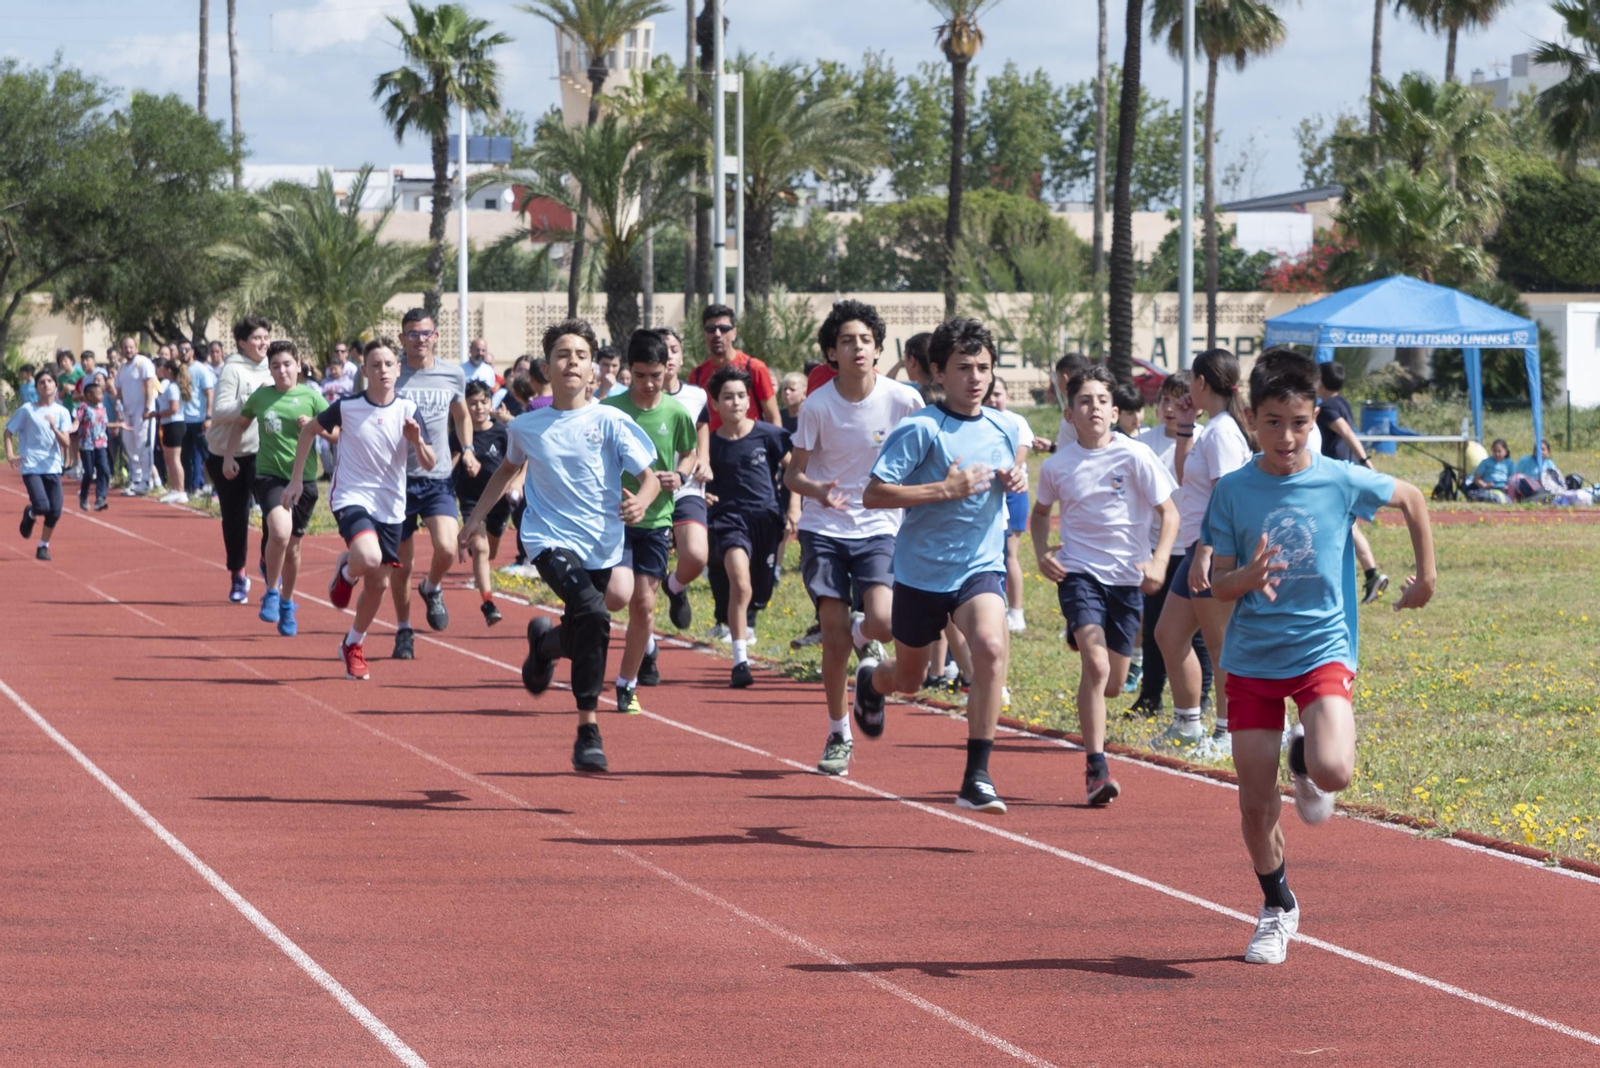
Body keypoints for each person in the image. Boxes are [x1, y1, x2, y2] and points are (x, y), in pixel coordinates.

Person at [1204, 348, 1436, 965]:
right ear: (1252, 417)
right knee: (1255, 805)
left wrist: (1427, 577)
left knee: (1335, 773)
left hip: (1321, 648)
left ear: (1316, 418)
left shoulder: (1338, 478)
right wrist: (1245, 578)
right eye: (1273, 421)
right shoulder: (1232, 491)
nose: (1286, 435)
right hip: (1253, 658)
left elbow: (1411, 497)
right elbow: (1215, 584)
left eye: (1299, 422)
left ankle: (1304, 755)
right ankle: (1277, 906)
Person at [458, 318, 660, 772]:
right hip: (546, 538)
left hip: (603, 543)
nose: (572, 362)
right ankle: (588, 728)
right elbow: (506, 472)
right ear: (546, 368)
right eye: (563, 355)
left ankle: (547, 644)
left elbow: (648, 480)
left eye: (582, 356)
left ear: (593, 371)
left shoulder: (611, 420)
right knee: (594, 611)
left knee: (586, 618)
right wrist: (473, 521)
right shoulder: (528, 427)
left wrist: (642, 504)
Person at [854, 317, 1025, 814]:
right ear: (938, 372)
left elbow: (1005, 477)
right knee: (908, 679)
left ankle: (977, 775)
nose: (976, 379)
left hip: (979, 567)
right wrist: (942, 490)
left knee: (991, 647)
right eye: (964, 368)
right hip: (921, 574)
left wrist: (1012, 480)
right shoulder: (920, 429)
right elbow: (873, 494)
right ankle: (872, 681)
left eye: (984, 368)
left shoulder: (1006, 426)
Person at [785, 299, 924, 774]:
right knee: (832, 634)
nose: (857, 347)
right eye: (847, 341)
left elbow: (929, 454)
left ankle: (866, 650)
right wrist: (815, 490)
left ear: (879, 350)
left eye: (865, 340)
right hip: (825, 529)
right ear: (832, 353)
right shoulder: (818, 406)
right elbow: (793, 475)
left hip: (880, 527)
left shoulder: (904, 400)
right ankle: (838, 733)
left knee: (884, 622)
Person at [1032, 366, 1179, 805]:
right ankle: (1096, 768)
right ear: (1070, 412)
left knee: (1113, 683)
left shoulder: (1134, 455)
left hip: (1127, 579)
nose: (1093, 407)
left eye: (1101, 401)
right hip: (1079, 574)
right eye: (1084, 401)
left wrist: (1158, 562)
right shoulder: (1058, 465)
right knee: (1094, 667)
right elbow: (1040, 514)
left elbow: (1169, 514)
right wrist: (1042, 554)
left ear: (1114, 412)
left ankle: (1085, 631)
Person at [283, 340, 428, 679]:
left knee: (377, 585)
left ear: (398, 368)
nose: (382, 371)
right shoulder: (347, 406)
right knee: (371, 558)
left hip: (391, 506)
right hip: (351, 496)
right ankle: (348, 570)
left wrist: (417, 440)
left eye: (388, 364)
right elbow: (309, 430)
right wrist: (295, 480)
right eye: (375, 365)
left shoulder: (408, 408)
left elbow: (428, 460)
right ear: (364, 371)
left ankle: (353, 643)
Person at [1153, 348, 1255, 759]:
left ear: (1201, 382)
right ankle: (1187, 724)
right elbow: (1183, 478)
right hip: (1197, 545)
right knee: (1169, 634)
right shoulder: (1210, 428)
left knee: (1220, 645)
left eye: (1190, 382)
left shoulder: (1225, 431)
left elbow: (1228, 496)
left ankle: (1229, 733)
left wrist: (1209, 551)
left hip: (1214, 548)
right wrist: (1183, 428)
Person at [602, 330, 699, 712]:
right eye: (639, 375)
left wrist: (681, 475)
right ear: (629, 371)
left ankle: (627, 682)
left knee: (644, 605)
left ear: (667, 371)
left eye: (655, 375)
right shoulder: (612, 410)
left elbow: (688, 454)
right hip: (613, 518)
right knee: (615, 597)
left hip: (656, 521)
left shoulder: (676, 413)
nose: (647, 384)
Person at [223, 341, 329, 638]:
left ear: (298, 365)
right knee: (280, 532)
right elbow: (240, 425)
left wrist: (315, 425)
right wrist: (229, 456)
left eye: (286, 364)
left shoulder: (312, 397)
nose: (281, 371)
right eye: (275, 366)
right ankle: (271, 591)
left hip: (306, 481)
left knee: (293, 549)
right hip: (270, 477)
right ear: (269, 370)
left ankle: (286, 602)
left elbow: (336, 434)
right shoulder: (262, 397)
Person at [1130, 372, 1214, 719]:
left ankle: (1203, 695)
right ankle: (1150, 696)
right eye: (1165, 399)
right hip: (1157, 550)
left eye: (1181, 401)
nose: (1170, 408)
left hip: (1193, 547)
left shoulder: (1207, 439)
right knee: (1153, 629)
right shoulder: (1143, 442)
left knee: (1198, 633)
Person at [390, 308, 473, 658]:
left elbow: (462, 414)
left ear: (435, 336)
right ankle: (404, 629)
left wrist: (467, 448)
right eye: (412, 334)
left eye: (425, 333)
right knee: (401, 563)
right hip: (397, 481)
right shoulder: (390, 373)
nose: (419, 340)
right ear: (402, 339)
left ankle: (432, 587)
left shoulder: (453, 374)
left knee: (448, 547)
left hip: (438, 478)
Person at [704, 365, 794, 687]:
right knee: (740, 585)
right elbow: (697, 479)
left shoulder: (768, 435)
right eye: (727, 397)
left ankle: (747, 623)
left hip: (766, 520)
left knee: (759, 591)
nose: (736, 403)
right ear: (715, 404)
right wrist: (703, 497)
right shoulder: (710, 444)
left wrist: (793, 507)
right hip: (729, 522)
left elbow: (793, 473)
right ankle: (740, 661)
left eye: (741, 396)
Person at [206, 317, 275, 604]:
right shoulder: (233, 370)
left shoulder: (275, 368)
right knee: (235, 518)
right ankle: (238, 575)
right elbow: (220, 411)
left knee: (275, 512)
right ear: (243, 343)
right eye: (256, 338)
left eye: (265, 337)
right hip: (227, 454)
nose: (263, 343)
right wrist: (253, 399)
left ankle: (267, 560)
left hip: (262, 453)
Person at [1315, 361, 1388, 605]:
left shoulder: (1325, 408)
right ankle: (1370, 574)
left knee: (1346, 526)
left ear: (1321, 382)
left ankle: (1371, 573)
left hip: (1334, 474)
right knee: (1347, 525)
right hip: (1346, 470)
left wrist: (1367, 461)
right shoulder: (1342, 402)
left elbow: (1345, 432)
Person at [984, 375, 1050, 635]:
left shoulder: (1017, 422)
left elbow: (1017, 458)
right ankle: (995, 608)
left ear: (1008, 396)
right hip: (987, 492)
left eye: (998, 393)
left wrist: (1003, 473)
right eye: (989, 394)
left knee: (1009, 553)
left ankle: (1016, 613)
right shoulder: (978, 422)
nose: (993, 399)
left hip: (1012, 492)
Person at [657, 326, 712, 631]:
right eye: (663, 350)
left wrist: (703, 459)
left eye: (674, 350)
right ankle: (647, 649)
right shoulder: (636, 399)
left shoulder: (696, 395)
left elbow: (701, 427)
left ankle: (675, 586)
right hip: (646, 491)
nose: (669, 356)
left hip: (686, 487)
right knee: (642, 580)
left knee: (695, 555)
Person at [450, 380, 511, 627]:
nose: (478, 408)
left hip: (499, 501)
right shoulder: (458, 436)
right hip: (472, 501)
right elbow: (447, 471)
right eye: (472, 403)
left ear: (490, 402)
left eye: (483, 402)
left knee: (490, 551)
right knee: (482, 549)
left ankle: (479, 555)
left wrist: (517, 484)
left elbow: (520, 462)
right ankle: (488, 603)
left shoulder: (502, 432)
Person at [5, 369, 76, 560]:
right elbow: (8, 431)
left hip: (52, 466)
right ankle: (31, 512)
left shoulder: (62, 412)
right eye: (42, 382)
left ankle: (43, 546)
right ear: (36, 387)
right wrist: (10, 454)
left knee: (55, 511)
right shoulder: (28, 410)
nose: (46, 385)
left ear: (56, 385)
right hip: (32, 465)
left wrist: (54, 427)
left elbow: (66, 443)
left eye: (49, 381)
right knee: (42, 505)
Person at [689, 303, 781, 427]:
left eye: (723, 329)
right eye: (711, 329)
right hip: (713, 445)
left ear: (734, 333)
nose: (717, 334)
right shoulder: (697, 375)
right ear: (704, 334)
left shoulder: (754, 368)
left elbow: (773, 417)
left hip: (751, 443)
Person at [113, 336, 160, 496]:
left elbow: (149, 385)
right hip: (128, 414)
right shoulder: (122, 369)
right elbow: (118, 391)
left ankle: (147, 481)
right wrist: (119, 410)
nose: (128, 350)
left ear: (136, 348)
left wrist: (147, 408)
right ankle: (136, 479)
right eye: (125, 347)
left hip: (143, 412)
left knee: (143, 446)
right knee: (130, 446)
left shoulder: (143, 363)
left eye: (131, 347)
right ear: (121, 349)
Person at [74, 378, 119, 512]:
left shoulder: (101, 408)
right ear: (89, 396)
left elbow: (104, 424)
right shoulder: (83, 407)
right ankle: (83, 495)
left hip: (101, 444)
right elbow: (77, 421)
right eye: (98, 394)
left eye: (101, 393)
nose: (101, 396)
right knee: (88, 473)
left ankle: (101, 498)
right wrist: (71, 429)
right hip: (86, 445)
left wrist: (118, 425)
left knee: (104, 469)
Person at [154, 358, 192, 503]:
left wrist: (158, 414)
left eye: (164, 368)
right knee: (170, 458)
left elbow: (173, 408)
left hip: (174, 424)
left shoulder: (173, 387)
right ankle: (175, 488)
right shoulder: (170, 386)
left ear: (169, 370)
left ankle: (180, 490)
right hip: (170, 424)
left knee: (175, 459)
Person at [181, 341, 215, 499]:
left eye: (186, 349)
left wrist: (208, 416)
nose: (183, 352)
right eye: (181, 350)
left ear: (192, 351)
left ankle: (216, 489)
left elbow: (209, 393)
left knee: (207, 455)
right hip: (184, 419)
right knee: (186, 457)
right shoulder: (181, 369)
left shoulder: (201, 370)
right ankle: (190, 488)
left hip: (199, 418)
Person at [1052, 352, 1091, 449]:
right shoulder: (1093, 406)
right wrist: (1051, 447)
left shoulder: (1078, 410)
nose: (1057, 383)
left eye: (1057, 378)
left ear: (1065, 379)